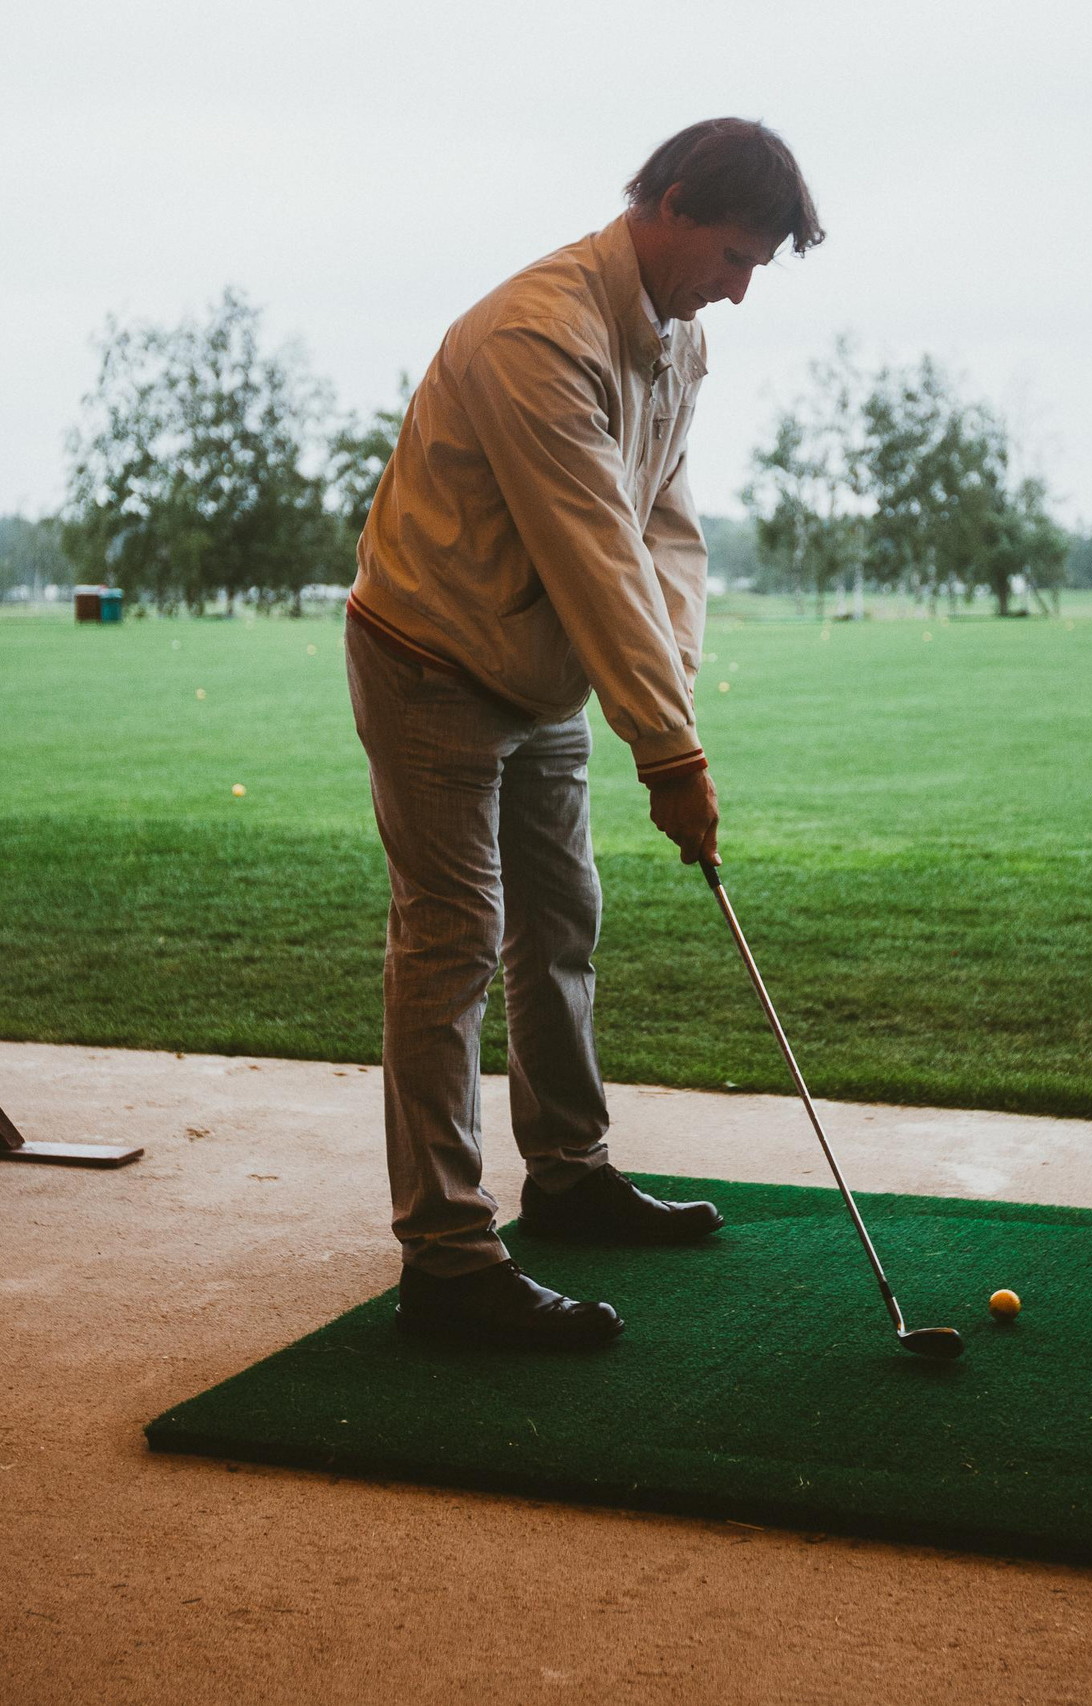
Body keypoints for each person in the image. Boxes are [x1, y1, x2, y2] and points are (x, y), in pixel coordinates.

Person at [344, 119, 824, 1347]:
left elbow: (664, 524)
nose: (738, 286)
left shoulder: (679, 339)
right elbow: (591, 549)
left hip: (537, 669)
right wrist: (667, 753)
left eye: (756, 264)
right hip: (434, 656)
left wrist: (677, 711)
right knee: (452, 937)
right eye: (730, 253)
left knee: (562, 916)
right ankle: (448, 1258)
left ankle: (567, 1174)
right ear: (664, 203)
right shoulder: (537, 335)